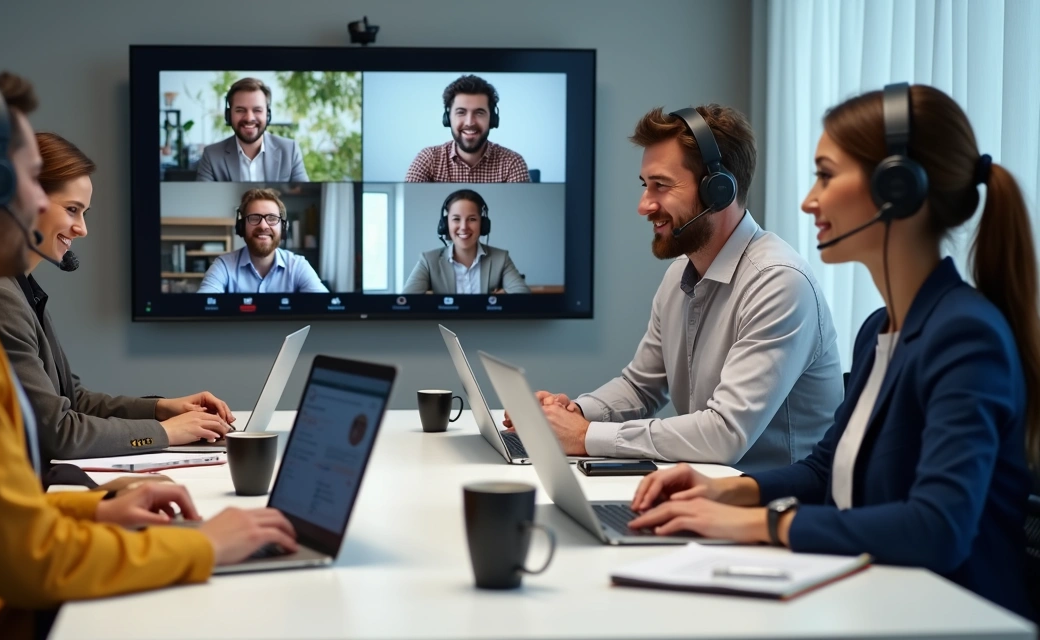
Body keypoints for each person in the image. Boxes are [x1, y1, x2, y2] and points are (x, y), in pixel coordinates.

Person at [0, 65, 298, 640]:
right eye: (30, 178)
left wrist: (94, 509)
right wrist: (202, 545)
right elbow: (31, 561)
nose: (39, 200)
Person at [627, 84, 1037, 621]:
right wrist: (727, 492)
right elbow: (826, 472)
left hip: (953, 617)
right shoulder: (880, 330)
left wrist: (760, 523)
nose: (809, 200)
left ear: (897, 188)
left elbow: (937, 528)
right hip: (876, 599)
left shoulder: (964, 336)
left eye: (825, 175)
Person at [506, 104, 843, 473]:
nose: (643, 205)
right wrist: (573, 414)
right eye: (645, 185)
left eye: (661, 186)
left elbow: (725, 433)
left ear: (718, 190)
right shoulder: (680, 274)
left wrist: (585, 436)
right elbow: (640, 387)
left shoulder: (778, 283)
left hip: (774, 503)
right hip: (708, 490)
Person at [0, 132, 234, 463]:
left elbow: (74, 400)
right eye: (72, 210)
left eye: (84, 213)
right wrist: (167, 432)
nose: (82, 229)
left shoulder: (21, 289)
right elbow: (59, 434)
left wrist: (162, 409)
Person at [197, 187, 328, 293]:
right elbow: (203, 306)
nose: (263, 226)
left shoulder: (298, 266)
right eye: (254, 218)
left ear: (283, 227)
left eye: (272, 218)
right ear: (242, 226)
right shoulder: (223, 266)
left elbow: (325, 308)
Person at [405, 75, 530, 183]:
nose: (469, 122)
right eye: (461, 112)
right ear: (448, 118)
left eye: (479, 113)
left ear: (492, 119)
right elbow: (407, 202)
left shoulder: (512, 163)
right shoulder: (428, 159)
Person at [402, 189, 529, 294]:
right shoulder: (428, 261)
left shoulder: (501, 258)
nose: (463, 227)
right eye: (456, 219)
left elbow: (522, 295)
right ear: (446, 224)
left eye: (472, 219)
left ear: (483, 224)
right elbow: (406, 301)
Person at [195, 77, 309, 182]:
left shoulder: (290, 151)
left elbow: (304, 193)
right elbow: (202, 195)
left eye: (257, 110)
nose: (249, 118)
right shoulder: (212, 155)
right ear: (229, 115)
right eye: (240, 110)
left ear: (267, 114)